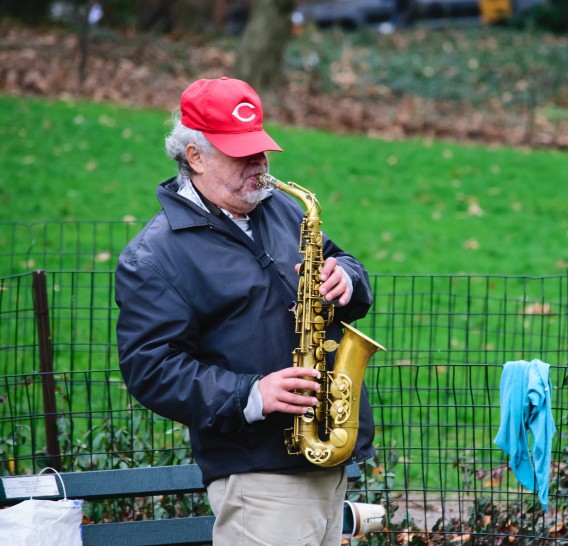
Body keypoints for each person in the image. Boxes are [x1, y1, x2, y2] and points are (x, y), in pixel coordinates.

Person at [115, 76, 376, 546]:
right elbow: (150, 370)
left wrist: (347, 279)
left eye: (261, 148)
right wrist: (251, 394)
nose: (260, 163)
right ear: (194, 156)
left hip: (327, 457)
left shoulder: (280, 208)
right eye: (242, 152)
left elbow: (345, 263)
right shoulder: (153, 257)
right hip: (256, 474)